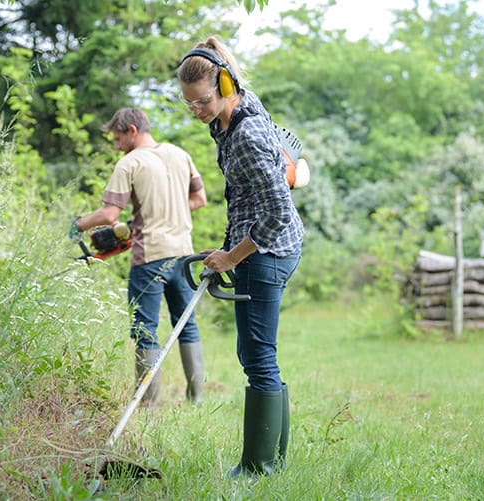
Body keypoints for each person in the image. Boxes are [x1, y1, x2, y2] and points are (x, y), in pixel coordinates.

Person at [176, 37, 304, 478]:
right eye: (189, 104)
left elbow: (277, 214)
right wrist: (228, 247)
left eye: (204, 101)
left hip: (268, 251)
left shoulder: (246, 133)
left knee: (257, 356)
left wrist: (233, 256)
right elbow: (252, 197)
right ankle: (276, 461)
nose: (198, 111)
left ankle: (258, 467)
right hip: (260, 246)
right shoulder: (231, 116)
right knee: (259, 353)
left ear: (226, 85)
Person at [69, 108, 208, 407]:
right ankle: (196, 400)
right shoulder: (179, 153)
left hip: (150, 260)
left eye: (118, 138)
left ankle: (146, 407)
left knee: (146, 330)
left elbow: (109, 214)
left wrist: (78, 224)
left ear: (132, 130)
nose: (116, 145)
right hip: (184, 255)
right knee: (187, 324)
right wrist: (167, 213)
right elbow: (199, 199)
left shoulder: (129, 163)